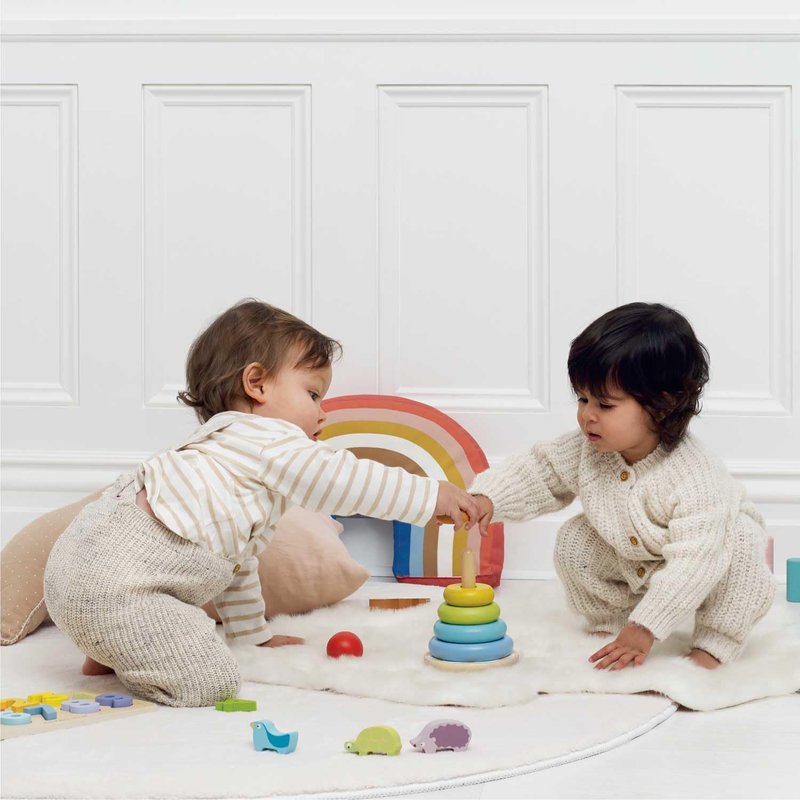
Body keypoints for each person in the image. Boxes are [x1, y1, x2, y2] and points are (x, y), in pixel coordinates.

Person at [44, 300, 479, 706]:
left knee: (163, 596)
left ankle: (110, 643)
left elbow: (236, 565)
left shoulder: (219, 455)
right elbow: (346, 480)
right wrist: (429, 495)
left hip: (71, 575)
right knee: (212, 682)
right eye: (313, 394)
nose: (323, 413)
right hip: (116, 590)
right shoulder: (270, 439)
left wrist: (253, 636)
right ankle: (134, 654)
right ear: (257, 384)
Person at [469, 302, 774, 671]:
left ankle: (713, 645)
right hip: (635, 559)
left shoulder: (695, 476)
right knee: (576, 539)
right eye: (582, 399)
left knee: (740, 546)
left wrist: (646, 627)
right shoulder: (588, 450)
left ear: (663, 404)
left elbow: (696, 561)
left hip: (707, 558)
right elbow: (540, 471)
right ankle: (610, 627)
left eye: (605, 404)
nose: (587, 415)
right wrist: (488, 498)